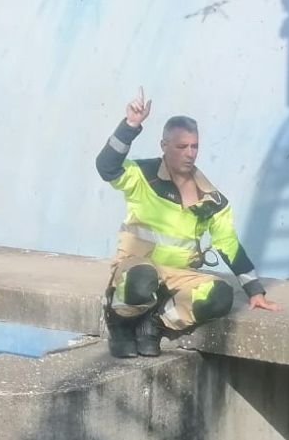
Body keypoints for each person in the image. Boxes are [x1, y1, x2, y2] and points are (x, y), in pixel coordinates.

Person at [95, 89, 277, 359]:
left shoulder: (211, 199)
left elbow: (228, 244)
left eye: (194, 146)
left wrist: (255, 291)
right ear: (164, 145)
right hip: (137, 267)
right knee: (142, 279)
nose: (190, 153)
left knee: (220, 296)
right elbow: (106, 167)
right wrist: (130, 125)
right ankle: (119, 320)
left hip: (178, 275)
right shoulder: (142, 175)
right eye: (182, 147)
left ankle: (154, 324)